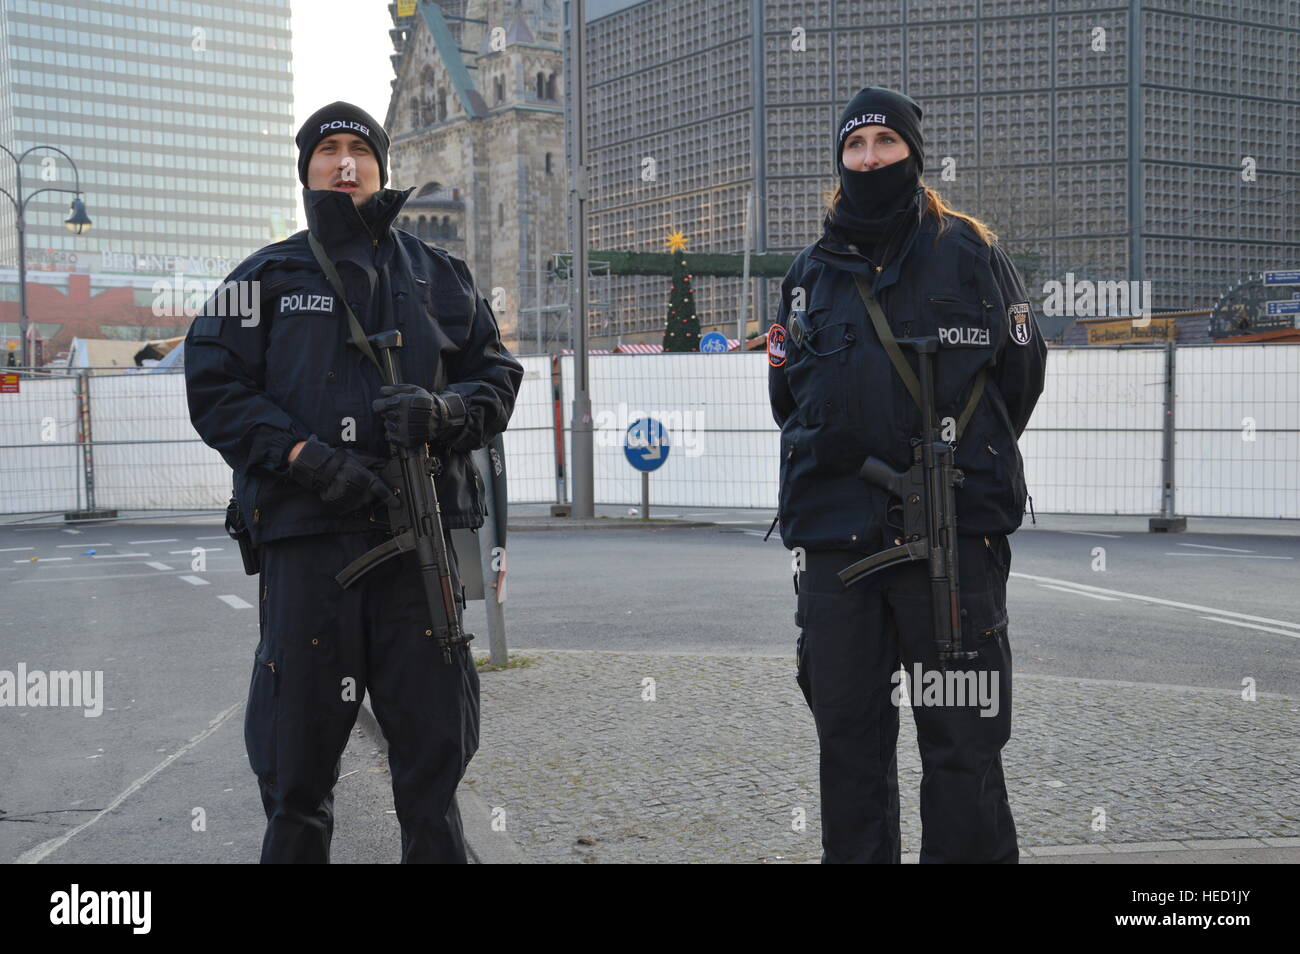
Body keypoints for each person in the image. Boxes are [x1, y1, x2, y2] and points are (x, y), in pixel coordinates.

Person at [185, 102, 523, 863]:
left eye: (359, 152)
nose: (345, 164)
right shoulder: (263, 278)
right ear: (306, 170)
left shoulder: (442, 275)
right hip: (309, 554)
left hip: (418, 553)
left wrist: (442, 412)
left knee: (433, 777)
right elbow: (214, 388)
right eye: (328, 151)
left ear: (381, 167)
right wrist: (306, 458)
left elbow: (497, 378)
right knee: (296, 780)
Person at [768, 87, 1047, 863]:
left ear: (912, 154)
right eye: (855, 148)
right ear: (840, 162)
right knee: (849, 746)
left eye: (884, 144)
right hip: (837, 544)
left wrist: (959, 461)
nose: (869, 160)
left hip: (952, 539)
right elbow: (786, 395)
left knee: (962, 745)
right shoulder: (809, 274)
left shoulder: (970, 251)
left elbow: (1020, 376)